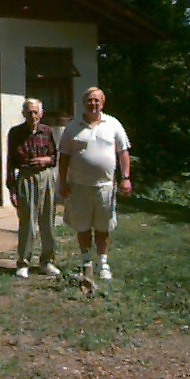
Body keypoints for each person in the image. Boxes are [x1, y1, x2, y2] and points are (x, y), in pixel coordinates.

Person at [58, 87, 132, 280]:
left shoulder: (113, 124)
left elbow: (123, 152)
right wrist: (62, 182)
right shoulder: (72, 127)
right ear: (83, 103)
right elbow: (64, 157)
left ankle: (102, 262)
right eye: (89, 100)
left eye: (97, 100)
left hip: (105, 186)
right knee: (82, 226)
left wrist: (125, 178)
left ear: (102, 103)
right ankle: (85, 261)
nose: (93, 104)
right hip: (78, 186)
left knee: (103, 226)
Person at [6, 98, 60, 279]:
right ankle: (23, 262)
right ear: (23, 114)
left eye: (36, 112)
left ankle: (47, 261)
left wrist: (46, 160)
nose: (33, 116)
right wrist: (12, 189)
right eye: (29, 112)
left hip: (46, 176)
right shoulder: (15, 133)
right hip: (26, 177)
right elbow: (10, 163)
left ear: (41, 114)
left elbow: (55, 157)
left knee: (47, 221)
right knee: (27, 222)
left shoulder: (47, 131)